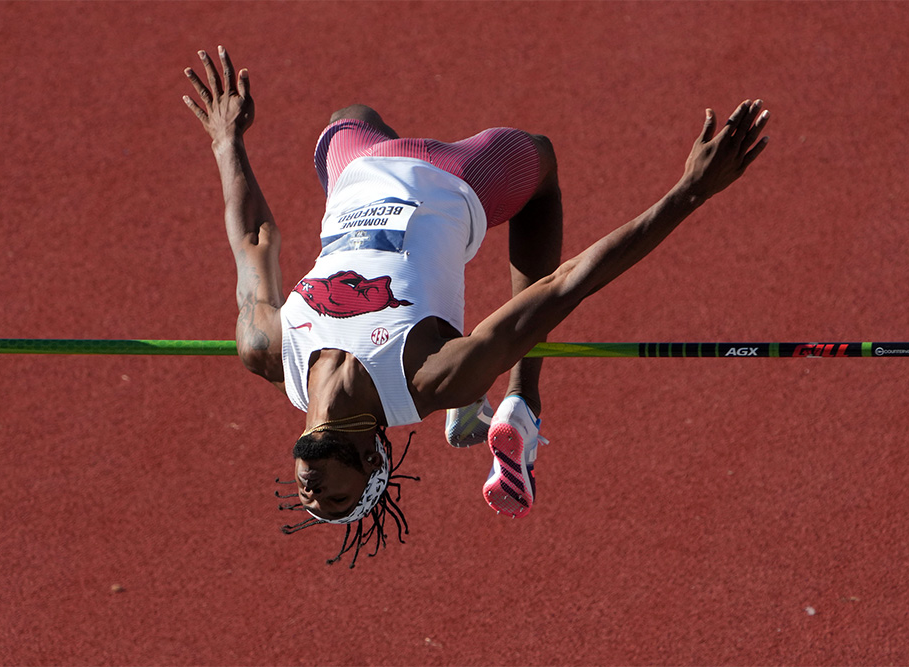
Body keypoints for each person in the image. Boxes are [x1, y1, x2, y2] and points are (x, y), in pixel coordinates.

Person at [183, 47, 770, 566]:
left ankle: (516, 406)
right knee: (540, 161)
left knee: (349, 117)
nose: (313, 495)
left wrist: (225, 141)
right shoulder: (430, 381)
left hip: (355, 172)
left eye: (309, 500)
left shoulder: (267, 352)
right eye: (337, 498)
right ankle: (523, 394)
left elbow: (255, 239)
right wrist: (688, 193)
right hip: (460, 179)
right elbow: (562, 286)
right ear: (371, 457)